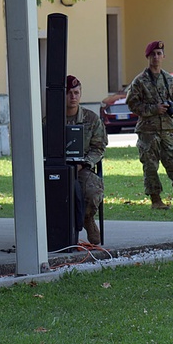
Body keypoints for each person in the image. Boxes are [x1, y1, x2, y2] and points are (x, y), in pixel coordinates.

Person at [125, 40, 173, 210]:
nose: (156, 57)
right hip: (148, 130)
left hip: (168, 128)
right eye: (153, 54)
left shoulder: (169, 80)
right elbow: (132, 104)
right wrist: (153, 109)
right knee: (150, 166)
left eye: (159, 54)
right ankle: (156, 200)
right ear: (148, 57)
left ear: (163, 56)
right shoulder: (140, 81)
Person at [65, 75, 107, 244]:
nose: (73, 96)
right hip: (58, 168)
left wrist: (83, 164)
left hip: (83, 168)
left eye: (76, 92)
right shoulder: (51, 119)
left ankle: (87, 219)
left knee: (92, 190)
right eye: (69, 93)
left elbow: (99, 147)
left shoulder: (91, 119)